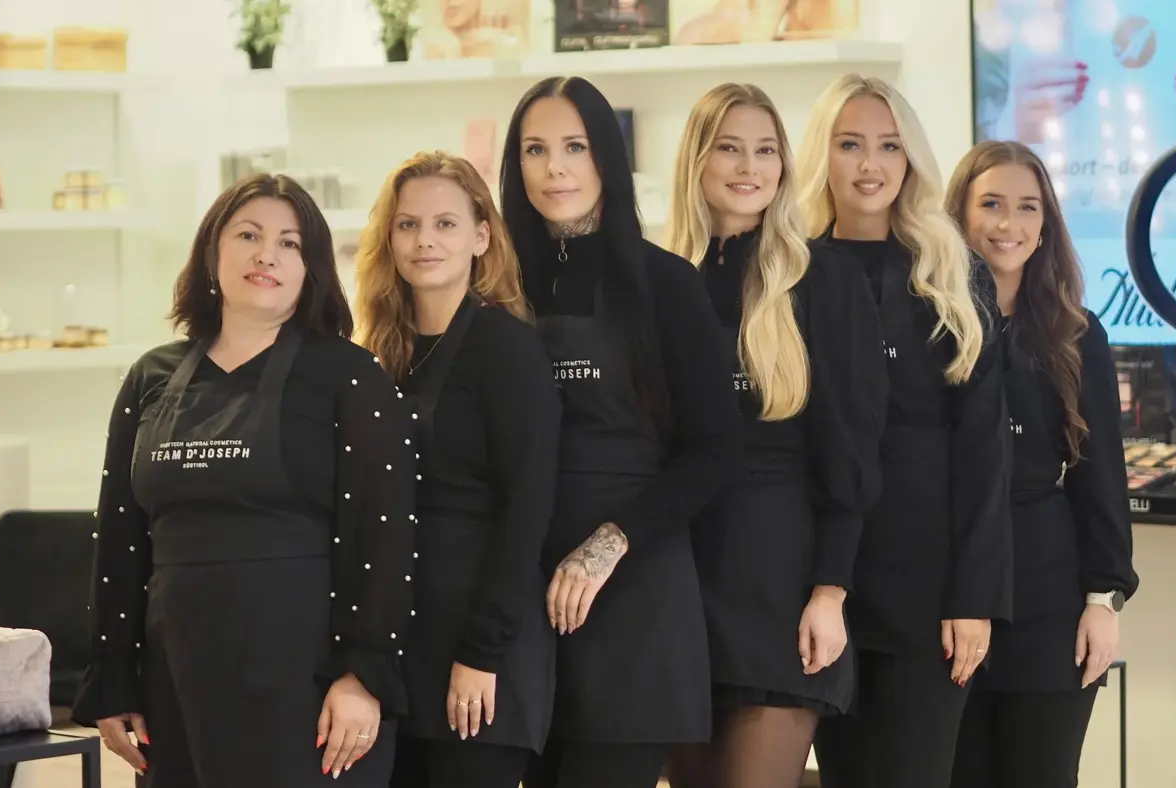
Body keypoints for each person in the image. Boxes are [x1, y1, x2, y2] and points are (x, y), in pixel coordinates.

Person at [71, 174, 417, 787]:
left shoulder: (348, 375)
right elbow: (120, 539)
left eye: (290, 243)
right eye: (249, 235)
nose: (267, 255)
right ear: (212, 251)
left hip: (306, 687)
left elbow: (383, 536)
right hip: (175, 681)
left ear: (311, 267)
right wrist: (113, 674)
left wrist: (362, 676)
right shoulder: (151, 376)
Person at [498, 75, 743, 788]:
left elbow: (715, 450)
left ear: (607, 155)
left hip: (636, 588)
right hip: (522, 592)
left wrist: (608, 546)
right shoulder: (496, 287)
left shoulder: (666, 282)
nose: (555, 168)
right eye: (535, 150)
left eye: (575, 147)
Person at [660, 83, 886, 788]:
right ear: (697, 160)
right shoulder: (658, 282)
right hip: (675, 585)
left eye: (766, 151)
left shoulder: (826, 279)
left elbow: (851, 451)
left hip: (782, 585)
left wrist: (830, 591)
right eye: (729, 148)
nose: (748, 167)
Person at [794, 74, 1013, 788]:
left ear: (911, 157)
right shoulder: (789, 270)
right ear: (821, 154)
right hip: (818, 578)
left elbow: (984, 452)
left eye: (889, 146)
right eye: (850, 144)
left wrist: (973, 598)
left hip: (928, 585)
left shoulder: (953, 272)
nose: (871, 164)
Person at [353, 150, 561, 788]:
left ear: (481, 237)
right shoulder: (377, 352)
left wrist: (481, 653)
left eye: (445, 224)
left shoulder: (507, 347)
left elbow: (527, 510)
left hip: (479, 655)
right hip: (396, 655)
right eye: (408, 224)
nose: (425, 240)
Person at [944, 140, 1139, 788]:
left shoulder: (1076, 333)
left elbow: (1100, 476)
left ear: (1047, 222)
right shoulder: (929, 324)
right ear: (958, 213)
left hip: (1048, 595)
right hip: (946, 589)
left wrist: (1104, 600)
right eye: (991, 204)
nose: (1010, 224)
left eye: (1028, 207)